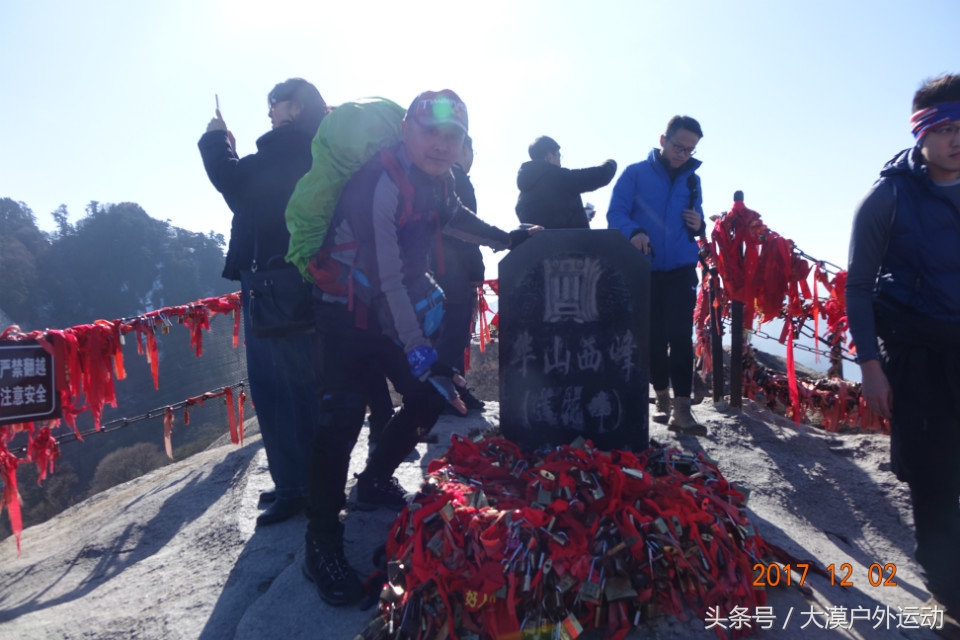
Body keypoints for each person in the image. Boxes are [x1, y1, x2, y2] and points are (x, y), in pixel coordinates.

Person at [298, 89, 537, 607]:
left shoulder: (434, 181)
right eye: (432, 132)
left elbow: (453, 219)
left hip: (385, 308)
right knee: (340, 418)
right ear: (407, 129)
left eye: (453, 136)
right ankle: (320, 544)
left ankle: (374, 483)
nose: (442, 144)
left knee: (430, 396)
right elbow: (385, 277)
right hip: (343, 311)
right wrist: (416, 348)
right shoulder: (378, 184)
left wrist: (506, 239)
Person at [846, 73, 960, 621]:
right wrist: (870, 366)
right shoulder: (886, 198)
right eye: (946, 129)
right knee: (933, 476)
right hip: (918, 360)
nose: (957, 140)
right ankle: (948, 593)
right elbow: (858, 286)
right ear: (922, 133)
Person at [198, 78, 325, 526]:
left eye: (273, 105)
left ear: (292, 107)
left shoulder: (289, 148)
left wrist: (217, 141)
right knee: (297, 386)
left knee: (279, 387)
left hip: (275, 284)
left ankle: (299, 487)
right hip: (295, 283)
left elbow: (237, 187)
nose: (269, 113)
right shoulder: (314, 150)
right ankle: (300, 478)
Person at [607, 115, 706, 435]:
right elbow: (615, 213)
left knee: (680, 337)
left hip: (681, 268)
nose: (683, 154)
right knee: (652, 338)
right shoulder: (634, 173)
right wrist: (633, 231)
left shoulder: (693, 179)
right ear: (663, 140)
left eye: (690, 150)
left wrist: (699, 224)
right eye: (679, 146)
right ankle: (661, 398)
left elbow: (697, 219)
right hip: (643, 267)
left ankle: (682, 410)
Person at [431, 135, 485, 414]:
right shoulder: (459, 178)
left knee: (439, 334)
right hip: (453, 271)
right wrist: (477, 271)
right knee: (453, 334)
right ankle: (448, 396)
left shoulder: (433, 176)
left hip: (431, 270)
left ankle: (453, 392)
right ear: (463, 149)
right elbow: (469, 232)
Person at [515, 135, 617, 229]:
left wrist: (581, 215)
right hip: (568, 245)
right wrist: (611, 163)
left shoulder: (524, 194)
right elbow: (601, 175)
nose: (560, 161)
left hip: (539, 245)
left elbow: (550, 219)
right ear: (549, 156)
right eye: (558, 155)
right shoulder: (559, 177)